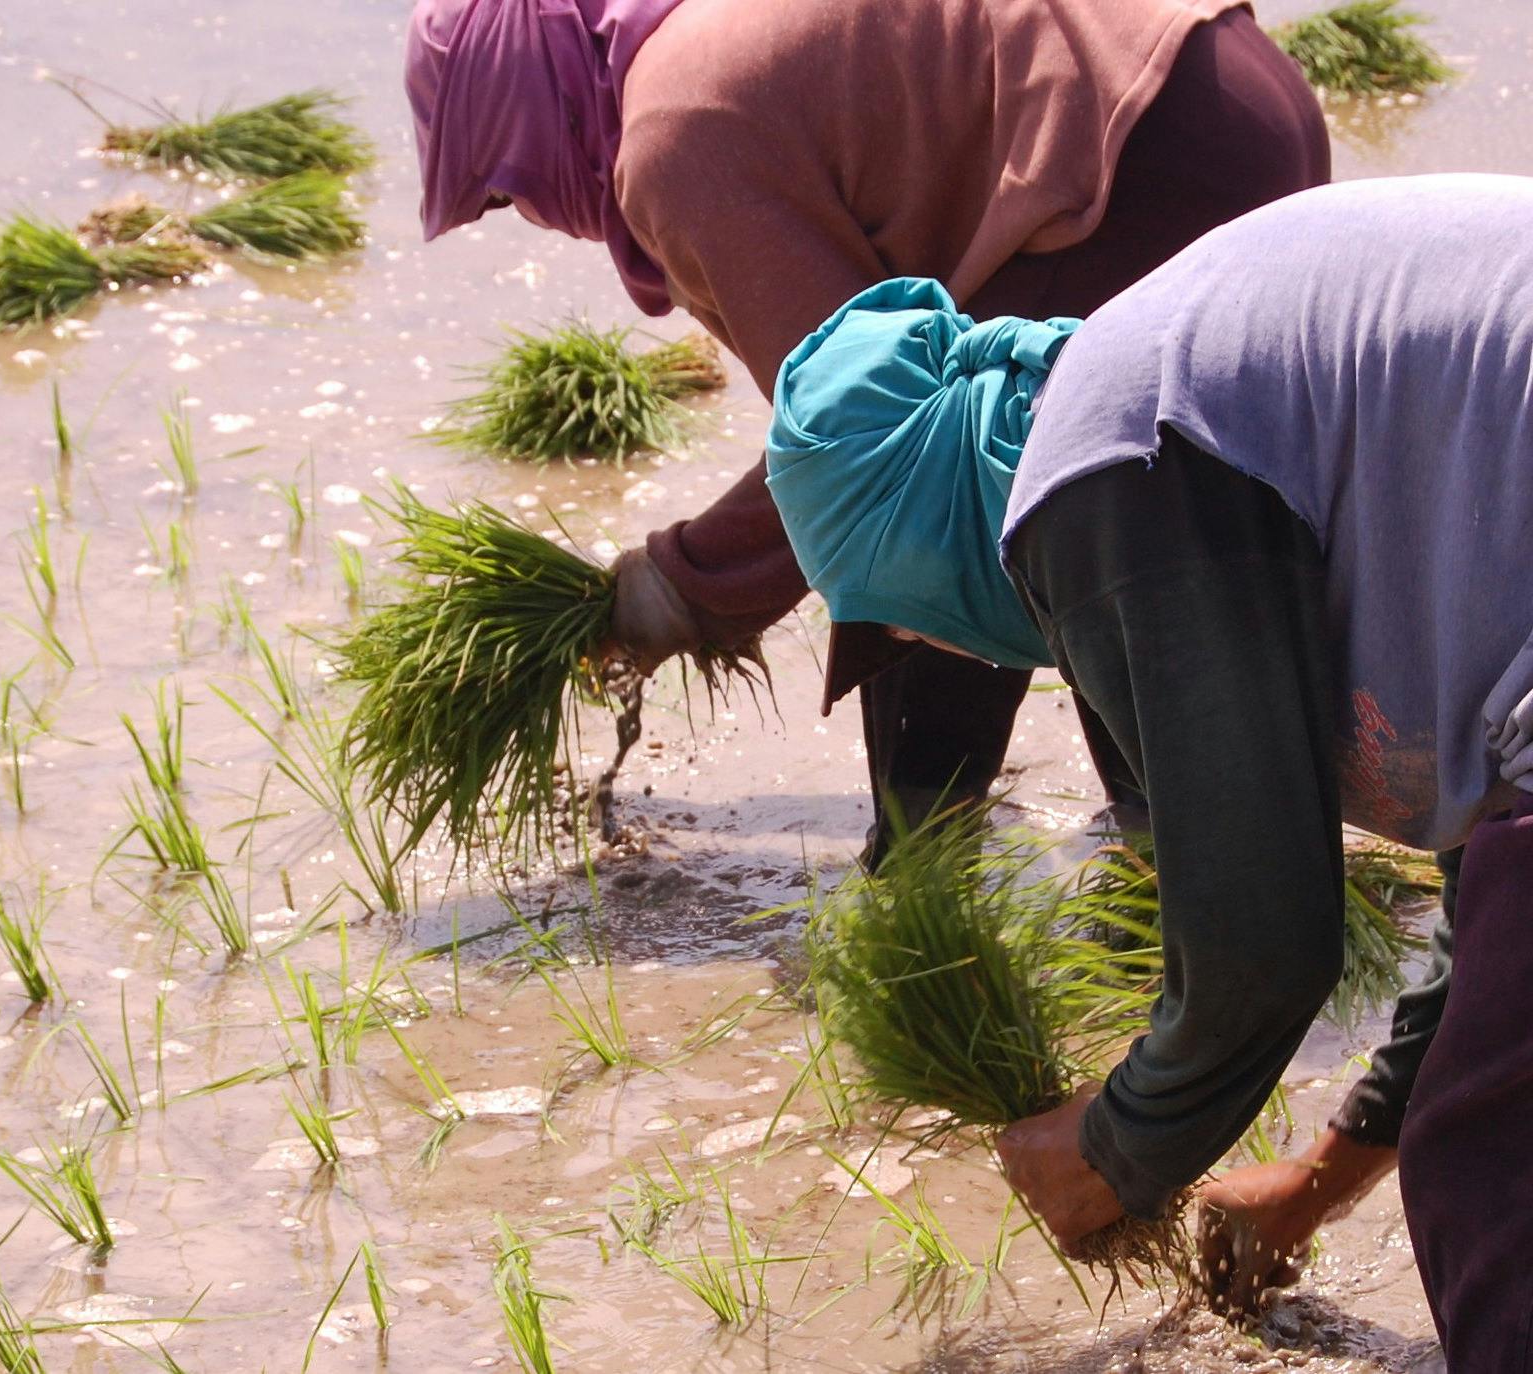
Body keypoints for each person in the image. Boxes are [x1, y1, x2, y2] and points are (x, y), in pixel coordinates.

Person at [760, 174, 1533, 1367]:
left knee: (1496, 1176)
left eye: (906, 622)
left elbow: (1262, 942)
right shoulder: (1185, 388)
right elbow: (1494, 900)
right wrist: (1318, 1182)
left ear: (918, 547)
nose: (949, 649)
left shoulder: (1103, 466)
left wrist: (1114, 1148)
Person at [402, 0, 1330, 845]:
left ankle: (941, 859)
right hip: (1232, 87)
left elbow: (870, 449)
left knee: (946, 513)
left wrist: (676, 588)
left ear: (534, 108)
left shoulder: (673, 135)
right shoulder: (704, 38)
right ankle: (1178, 852)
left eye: (504, 187)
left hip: (1149, 151)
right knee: (1098, 485)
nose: (530, 216)